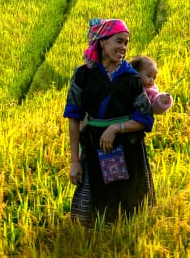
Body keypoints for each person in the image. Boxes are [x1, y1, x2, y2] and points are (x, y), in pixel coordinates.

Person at [64, 18, 156, 226]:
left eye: (126, 43)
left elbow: (145, 118)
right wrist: (74, 162)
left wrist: (116, 128)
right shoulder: (82, 76)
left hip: (128, 148)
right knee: (93, 215)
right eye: (119, 41)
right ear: (103, 42)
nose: (123, 47)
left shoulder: (131, 79)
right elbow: (73, 120)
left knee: (131, 210)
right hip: (94, 148)